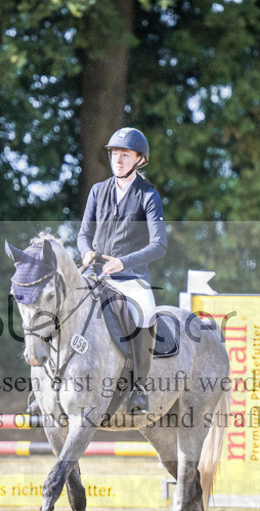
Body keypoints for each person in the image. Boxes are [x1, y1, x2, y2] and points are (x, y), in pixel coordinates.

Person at [78, 127, 167, 414]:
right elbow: (83, 235)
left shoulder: (148, 196)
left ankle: (139, 387)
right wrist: (86, 252)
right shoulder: (98, 190)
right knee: (61, 302)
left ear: (140, 159)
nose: (117, 159)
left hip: (131, 277)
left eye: (125, 155)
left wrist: (124, 262)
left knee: (146, 311)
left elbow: (159, 245)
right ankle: (47, 380)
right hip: (96, 274)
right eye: (115, 153)